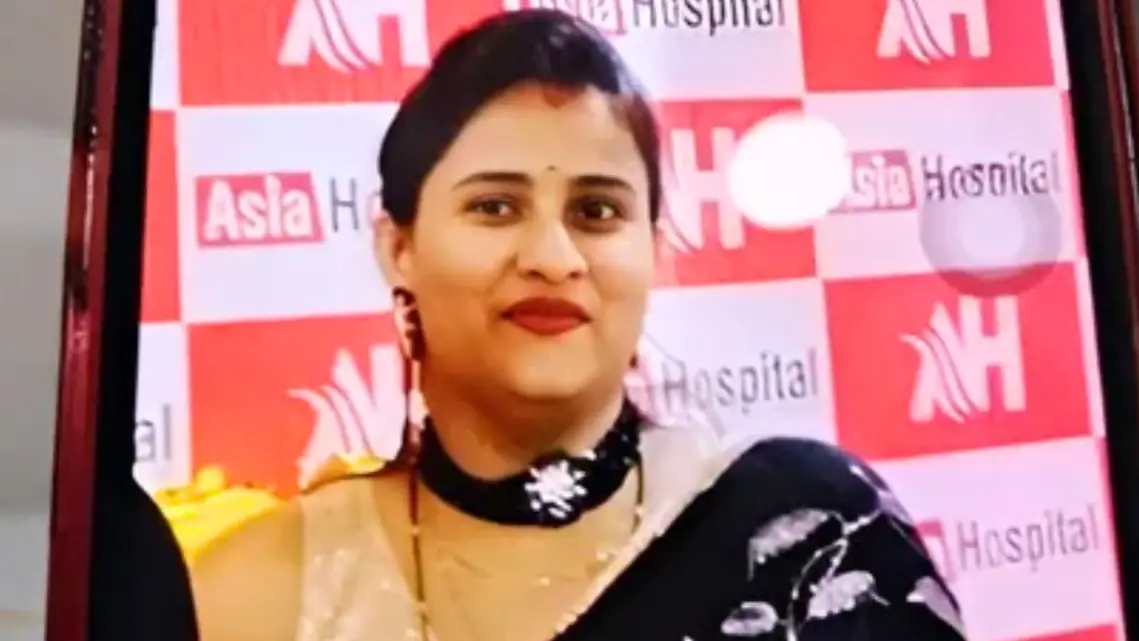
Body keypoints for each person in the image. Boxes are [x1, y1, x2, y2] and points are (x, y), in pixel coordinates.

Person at [189, 9, 966, 641]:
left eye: (596, 211)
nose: (553, 258)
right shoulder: (259, 597)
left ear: (653, 249)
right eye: (495, 206)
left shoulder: (812, 537)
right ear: (399, 248)